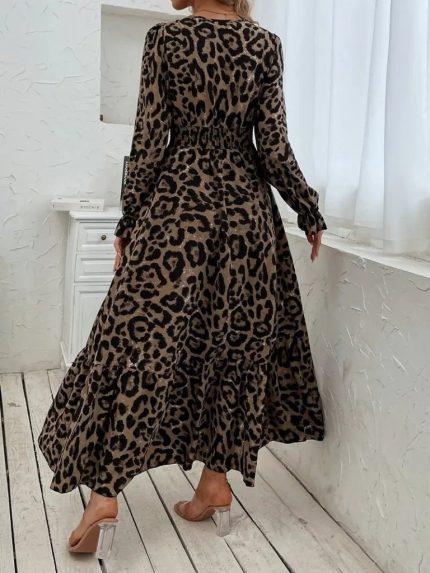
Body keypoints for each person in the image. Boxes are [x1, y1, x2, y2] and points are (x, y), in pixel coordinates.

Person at [38, 0, 328, 558]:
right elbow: (273, 146)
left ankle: (106, 494)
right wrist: (307, 209)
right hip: (246, 218)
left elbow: (149, 142)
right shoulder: (264, 45)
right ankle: (216, 482)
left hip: (178, 211)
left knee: (137, 342)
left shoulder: (166, 40)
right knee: (233, 344)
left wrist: (129, 219)